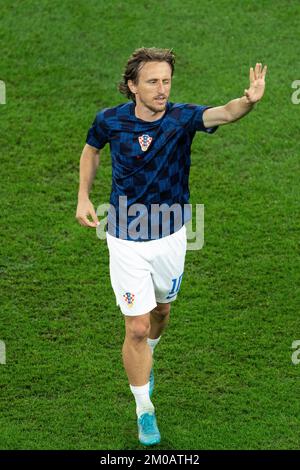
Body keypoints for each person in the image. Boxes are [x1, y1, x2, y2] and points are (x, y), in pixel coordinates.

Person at [76, 47, 267, 446]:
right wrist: (83, 196)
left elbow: (225, 113)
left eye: (166, 81)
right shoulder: (109, 120)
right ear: (133, 85)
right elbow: (91, 149)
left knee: (161, 311)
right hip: (125, 238)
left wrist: (247, 102)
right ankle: (144, 408)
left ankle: (149, 355)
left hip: (170, 236)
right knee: (137, 326)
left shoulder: (182, 117)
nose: (161, 89)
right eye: (152, 82)